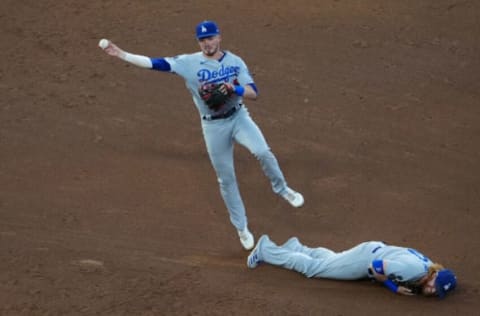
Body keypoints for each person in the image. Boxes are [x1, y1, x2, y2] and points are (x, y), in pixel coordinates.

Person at [99, 21, 304, 250]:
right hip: (213, 127)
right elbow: (156, 64)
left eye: (211, 38)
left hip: (238, 118)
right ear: (199, 42)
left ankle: (282, 188)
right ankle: (241, 227)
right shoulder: (189, 63)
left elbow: (253, 93)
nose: (207, 43)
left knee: (263, 151)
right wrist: (122, 54)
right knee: (226, 178)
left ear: (219, 38)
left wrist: (232, 88)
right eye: (202, 40)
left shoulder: (235, 62)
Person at [247, 235, 457, 298]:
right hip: (366, 260)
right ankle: (266, 250)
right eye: (433, 284)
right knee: (314, 269)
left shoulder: (428, 266)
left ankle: (296, 247)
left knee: (332, 260)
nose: (430, 289)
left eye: (434, 291)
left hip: (373, 249)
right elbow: (377, 267)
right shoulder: (413, 272)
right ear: (435, 273)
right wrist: (392, 287)